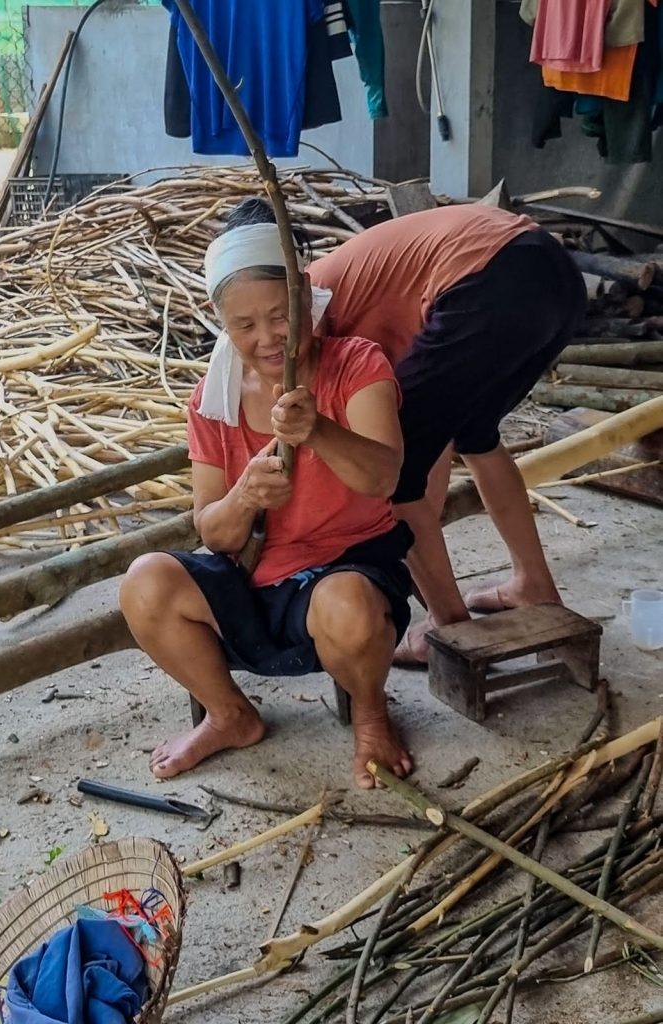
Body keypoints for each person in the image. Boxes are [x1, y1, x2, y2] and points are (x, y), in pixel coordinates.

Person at [119, 200, 414, 789]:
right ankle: (230, 715)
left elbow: (385, 478)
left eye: (281, 315)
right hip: (255, 583)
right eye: (245, 326)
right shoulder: (213, 398)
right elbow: (215, 532)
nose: (269, 339)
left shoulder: (358, 365)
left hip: (348, 571)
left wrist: (319, 431)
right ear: (221, 322)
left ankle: (371, 714)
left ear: (306, 294)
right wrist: (245, 496)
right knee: (144, 584)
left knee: (348, 609)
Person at [308, 203, 587, 664]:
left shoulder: (308, 317)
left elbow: (397, 456)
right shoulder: (312, 296)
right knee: (474, 433)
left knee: (395, 476)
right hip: (553, 272)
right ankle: (534, 585)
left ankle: (449, 626)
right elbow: (429, 433)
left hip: (488, 281)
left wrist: (403, 508)